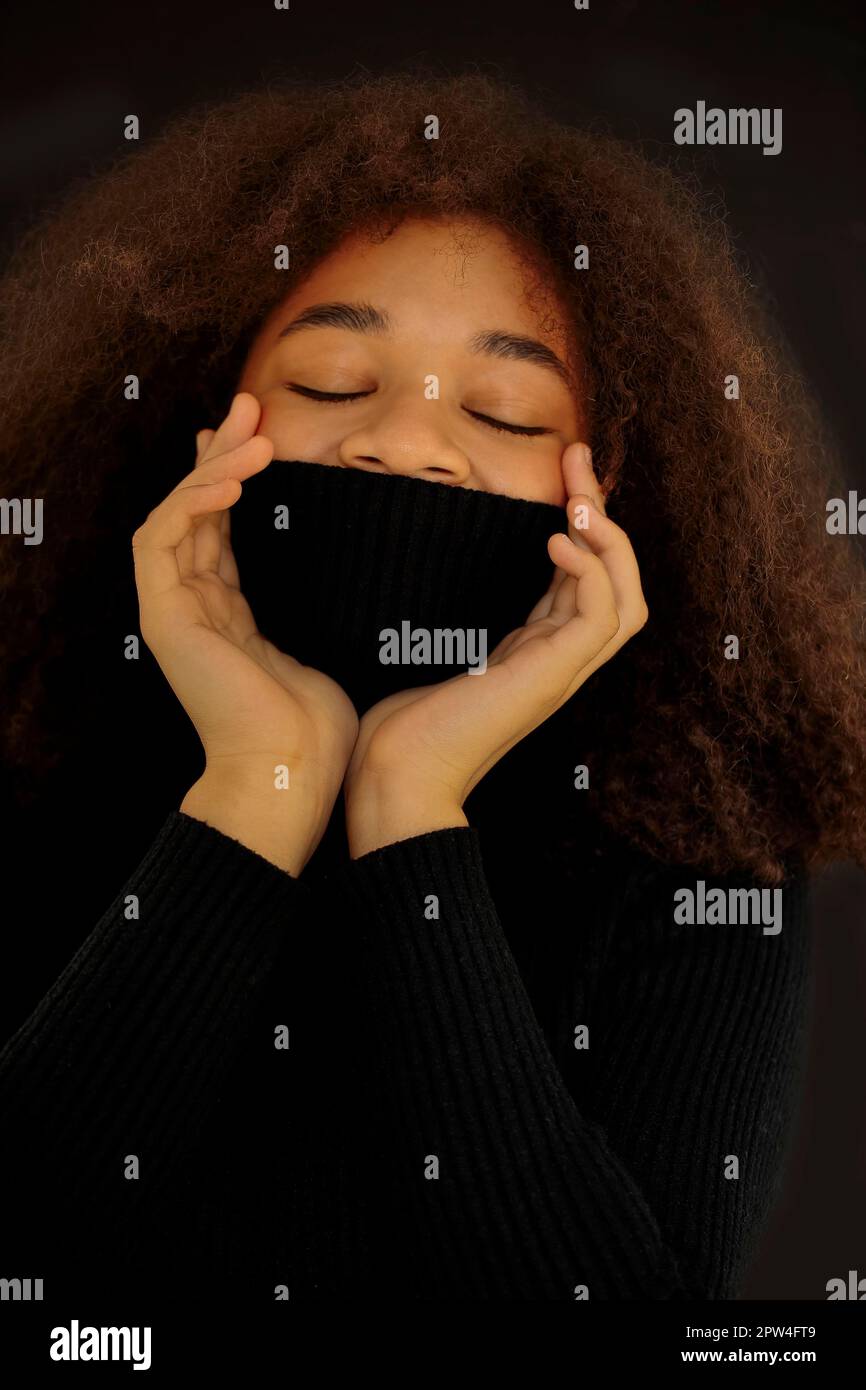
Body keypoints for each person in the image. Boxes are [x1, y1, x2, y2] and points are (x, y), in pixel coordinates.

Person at [1, 72, 864, 1306]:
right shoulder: (35, 752)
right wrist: (258, 789)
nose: (404, 442)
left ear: (606, 489)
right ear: (205, 430)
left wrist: (407, 805)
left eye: (502, 410)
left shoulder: (703, 860)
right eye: (329, 386)